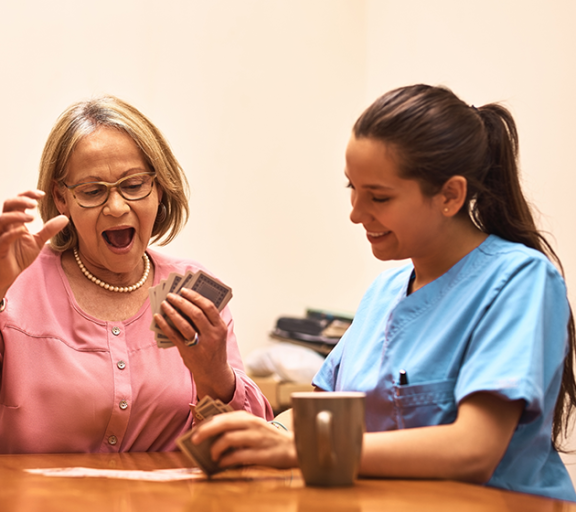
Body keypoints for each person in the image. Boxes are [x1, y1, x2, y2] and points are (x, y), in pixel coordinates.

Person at [192, 84, 576, 502]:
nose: (356, 214)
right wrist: (260, 435)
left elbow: (473, 451)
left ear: (450, 195)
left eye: (378, 196)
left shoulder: (519, 281)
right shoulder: (385, 292)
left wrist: (294, 450)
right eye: (351, 189)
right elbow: (318, 416)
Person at [0, 95, 272, 454]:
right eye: (93, 191)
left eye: (133, 185)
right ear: (62, 200)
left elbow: (250, 445)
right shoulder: (15, 285)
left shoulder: (191, 290)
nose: (116, 207)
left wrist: (214, 375)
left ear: (159, 188)